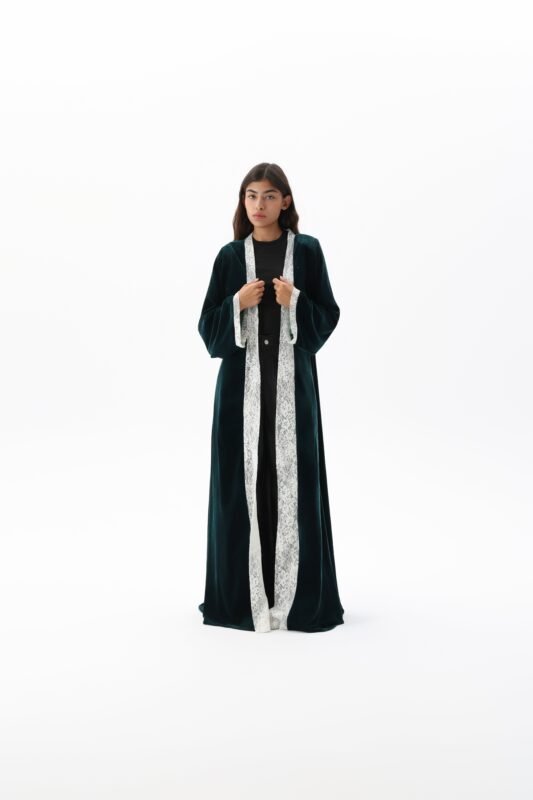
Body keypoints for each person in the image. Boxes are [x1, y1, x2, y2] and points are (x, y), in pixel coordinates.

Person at [197, 162, 344, 633]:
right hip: (238, 396)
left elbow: (327, 317)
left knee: (293, 482)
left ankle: (298, 602)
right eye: (251, 196)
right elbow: (207, 330)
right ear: (243, 202)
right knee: (239, 485)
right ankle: (242, 600)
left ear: (286, 202)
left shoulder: (307, 251)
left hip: (292, 392)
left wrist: (294, 301)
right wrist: (236, 304)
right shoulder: (228, 257)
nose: (259, 205)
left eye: (269, 196)